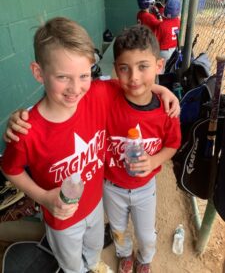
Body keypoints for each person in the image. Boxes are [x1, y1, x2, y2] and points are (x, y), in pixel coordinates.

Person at [2, 18, 180, 273]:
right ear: (38, 73)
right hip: (61, 219)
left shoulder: (96, 93)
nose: (75, 88)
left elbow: (135, 85)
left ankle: (93, 265)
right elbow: (10, 169)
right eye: (63, 77)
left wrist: (164, 91)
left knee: (94, 249)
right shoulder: (27, 129)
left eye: (84, 75)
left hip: (96, 204)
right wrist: (43, 198)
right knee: (73, 265)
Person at [103, 25, 181, 273]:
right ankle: (124, 254)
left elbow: (173, 144)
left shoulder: (167, 110)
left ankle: (144, 258)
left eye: (143, 67)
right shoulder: (108, 97)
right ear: (116, 70)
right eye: (124, 68)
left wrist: (155, 160)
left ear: (159, 66)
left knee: (146, 234)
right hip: (111, 185)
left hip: (145, 187)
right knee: (118, 229)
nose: (134, 77)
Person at [155, 0, 181, 72]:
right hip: (175, 50)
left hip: (164, 52)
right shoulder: (179, 21)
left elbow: (157, 41)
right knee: (170, 70)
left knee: (160, 72)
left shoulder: (162, 25)